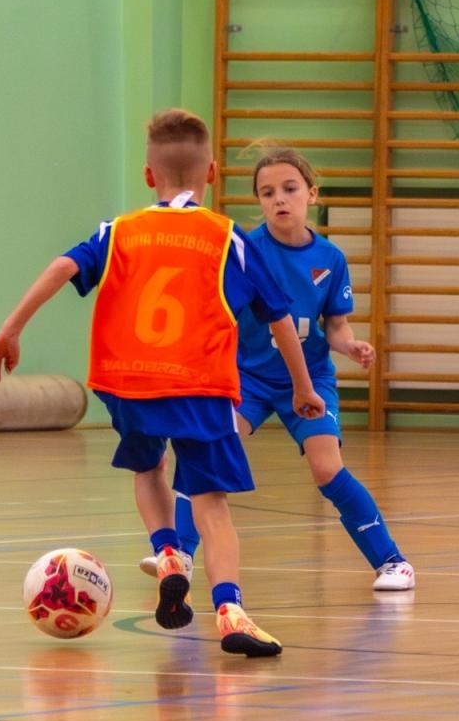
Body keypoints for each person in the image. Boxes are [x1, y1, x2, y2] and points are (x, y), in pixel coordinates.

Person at [0, 109, 323, 657]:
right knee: (211, 504)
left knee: (147, 468)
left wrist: (10, 329)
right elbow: (280, 319)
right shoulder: (228, 239)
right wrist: (304, 388)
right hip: (199, 384)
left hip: (126, 383)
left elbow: (62, 268)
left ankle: (167, 552)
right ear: (212, 173)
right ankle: (231, 613)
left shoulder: (118, 231)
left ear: (148, 176)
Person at [144, 147, 416, 592]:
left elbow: (336, 327)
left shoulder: (330, 259)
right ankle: (180, 557)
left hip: (308, 381)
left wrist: (351, 347)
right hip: (247, 379)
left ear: (311, 193)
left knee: (326, 470)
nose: (279, 200)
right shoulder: (244, 250)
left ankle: (393, 561)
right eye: (267, 193)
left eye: (289, 189)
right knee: (205, 452)